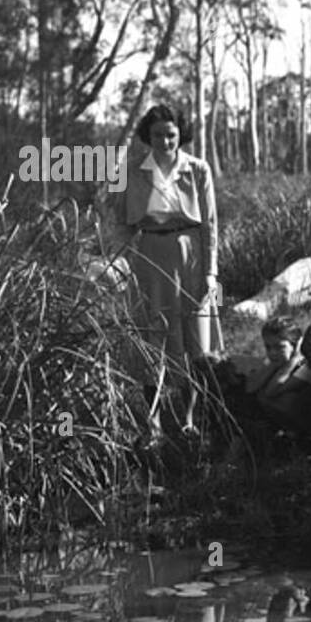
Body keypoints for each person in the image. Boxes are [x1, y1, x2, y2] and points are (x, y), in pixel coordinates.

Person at [112, 104, 220, 438]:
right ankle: (154, 422)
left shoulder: (197, 169)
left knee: (192, 337)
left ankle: (188, 419)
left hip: (189, 254)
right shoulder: (132, 170)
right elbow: (120, 221)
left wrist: (210, 272)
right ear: (148, 136)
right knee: (152, 335)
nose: (165, 141)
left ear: (180, 134)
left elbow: (210, 224)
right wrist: (119, 260)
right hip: (150, 254)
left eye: (171, 134)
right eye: (158, 135)